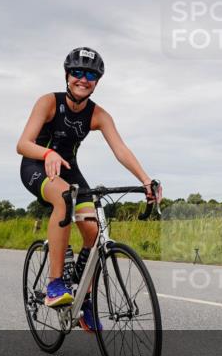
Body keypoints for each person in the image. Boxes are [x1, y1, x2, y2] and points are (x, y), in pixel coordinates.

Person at [16, 47, 161, 332]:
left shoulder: (99, 115)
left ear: (97, 81)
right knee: (65, 200)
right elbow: (23, 144)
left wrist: (146, 180)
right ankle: (55, 284)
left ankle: (85, 299)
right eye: (77, 72)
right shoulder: (48, 102)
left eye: (90, 75)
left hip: (69, 170)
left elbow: (120, 149)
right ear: (67, 75)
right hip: (37, 165)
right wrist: (47, 154)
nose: (83, 79)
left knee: (94, 232)